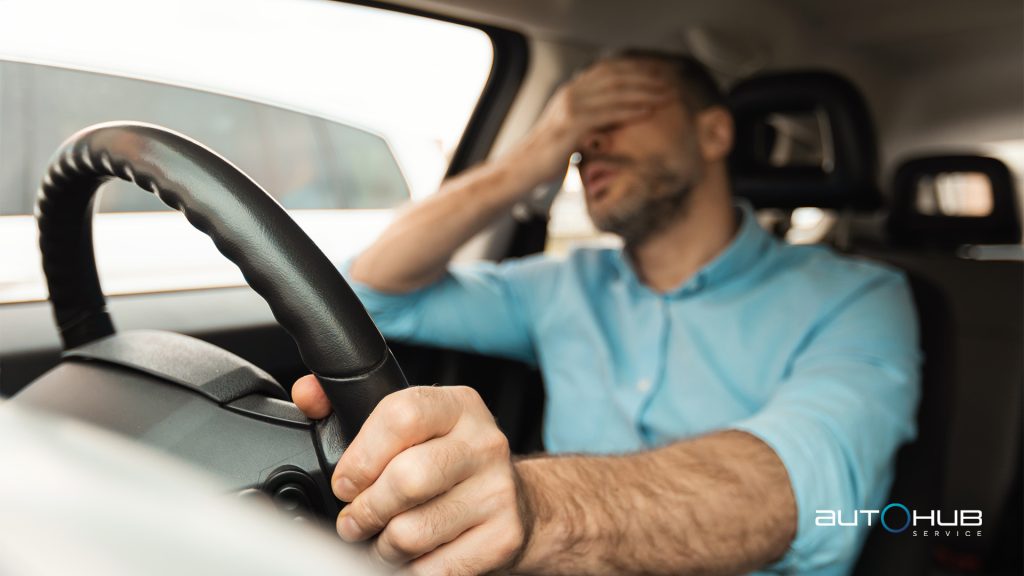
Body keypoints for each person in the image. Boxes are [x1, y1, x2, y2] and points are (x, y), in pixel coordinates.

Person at [291, 50, 920, 575]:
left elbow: (805, 486)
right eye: (576, 131)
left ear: (713, 133)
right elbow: (371, 293)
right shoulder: (562, 285)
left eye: (614, 113)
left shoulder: (860, 297)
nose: (587, 145)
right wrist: (529, 158)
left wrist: (541, 507)